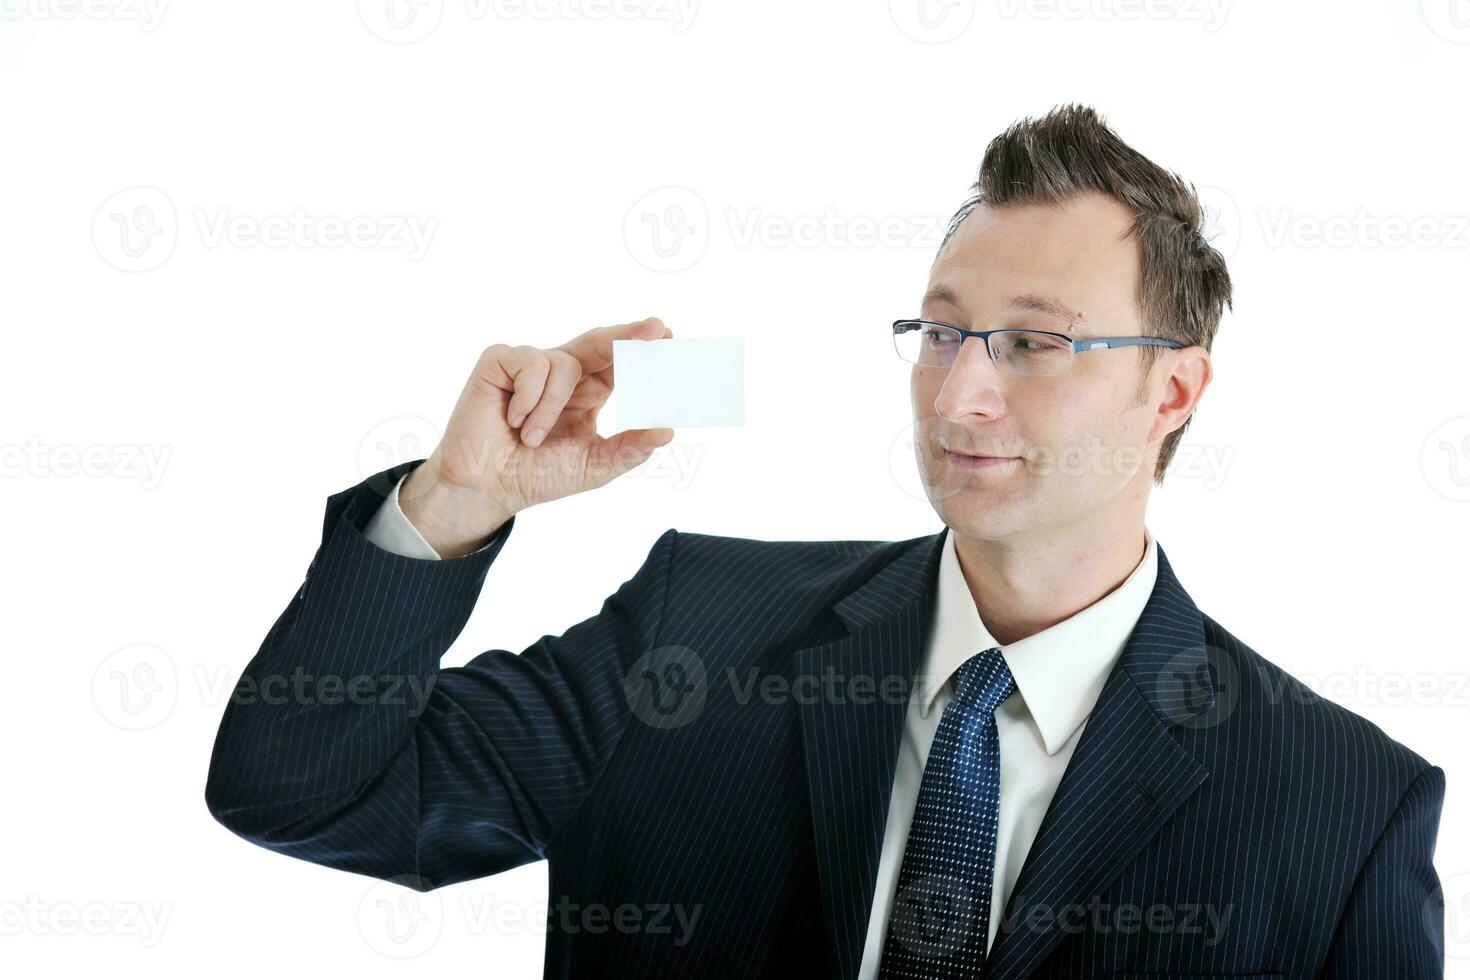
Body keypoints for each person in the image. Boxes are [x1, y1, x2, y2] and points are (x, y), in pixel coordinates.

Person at [204, 104, 1446, 979]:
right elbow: (300, 783)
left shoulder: (1343, 809)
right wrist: (457, 500)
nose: (959, 392)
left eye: (1032, 341)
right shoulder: (696, 626)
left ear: (1175, 390)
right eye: (942, 329)